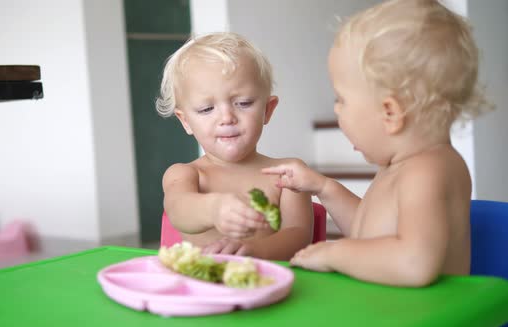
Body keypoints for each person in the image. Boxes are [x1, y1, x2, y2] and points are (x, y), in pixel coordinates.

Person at [262, 0, 491, 286]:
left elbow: (414, 263)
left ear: (390, 113)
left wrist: (336, 252)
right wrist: (324, 188)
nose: (336, 109)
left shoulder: (428, 171)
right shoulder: (399, 166)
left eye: (341, 99)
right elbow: (370, 234)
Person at [157, 32, 313, 260]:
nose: (227, 117)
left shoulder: (288, 175)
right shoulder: (186, 174)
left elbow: (298, 235)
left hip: (268, 286)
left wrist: (255, 251)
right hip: (203, 290)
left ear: (267, 110)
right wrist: (213, 208)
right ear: (186, 121)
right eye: (206, 109)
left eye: (243, 103)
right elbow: (178, 209)